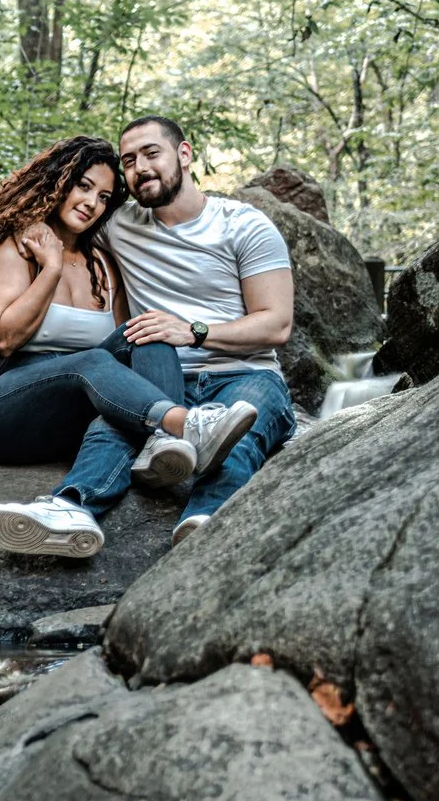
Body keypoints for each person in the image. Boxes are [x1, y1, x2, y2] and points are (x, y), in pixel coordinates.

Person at [0, 136, 263, 560]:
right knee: (92, 361)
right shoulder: (13, 245)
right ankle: (184, 424)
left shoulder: (101, 263)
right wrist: (49, 267)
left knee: (149, 329)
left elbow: (124, 359)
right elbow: (5, 337)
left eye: (103, 197)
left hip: (70, 406)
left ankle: (79, 505)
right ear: (55, 182)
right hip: (2, 406)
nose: (92, 204)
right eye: (82, 186)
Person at [100, 114, 297, 545]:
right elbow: (62, 211)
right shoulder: (118, 226)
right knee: (109, 429)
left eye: (152, 153)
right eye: (128, 161)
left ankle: (203, 526)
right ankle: (71, 507)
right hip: (162, 380)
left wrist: (193, 331)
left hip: (246, 375)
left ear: (184, 154)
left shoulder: (244, 225)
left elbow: (277, 323)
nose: (140, 168)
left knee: (239, 433)